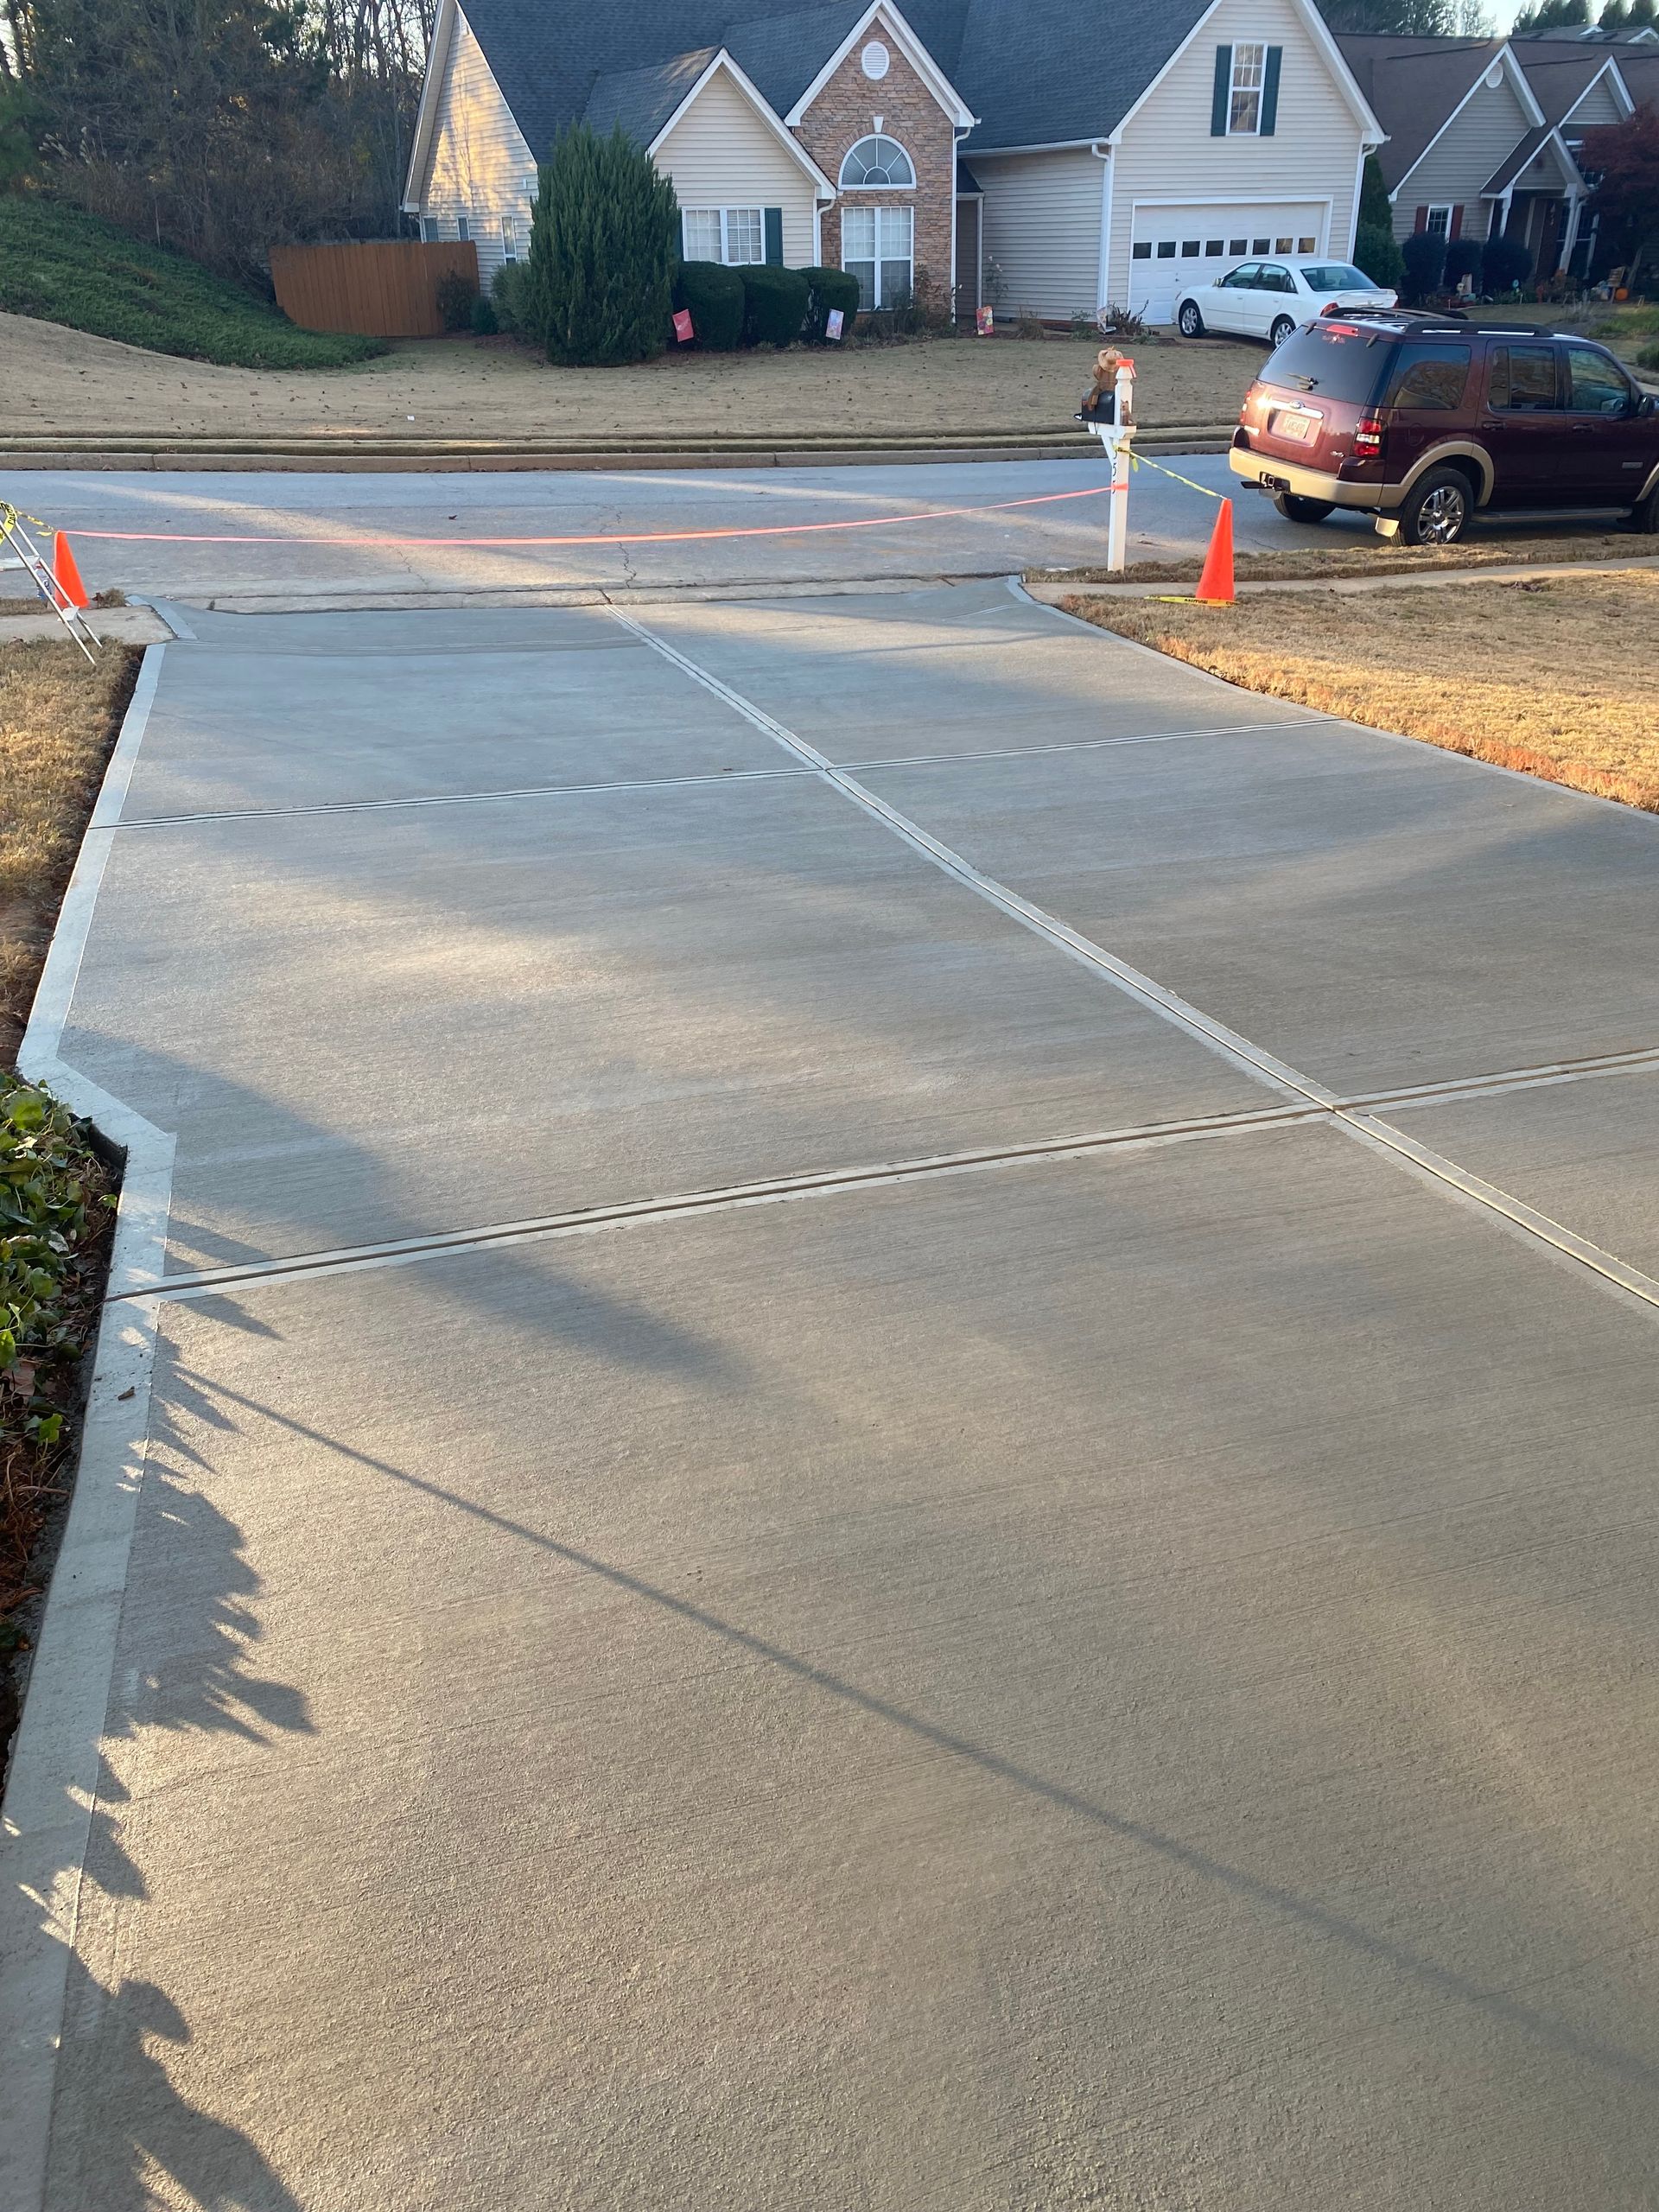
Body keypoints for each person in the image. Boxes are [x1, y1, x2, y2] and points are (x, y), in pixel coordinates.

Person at [1078, 346, 1123, 425]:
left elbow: (1097, 375)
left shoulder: (1097, 368)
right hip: (1114, 389)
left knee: (1093, 399)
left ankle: (1091, 412)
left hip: (1102, 388)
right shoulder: (1119, 370)